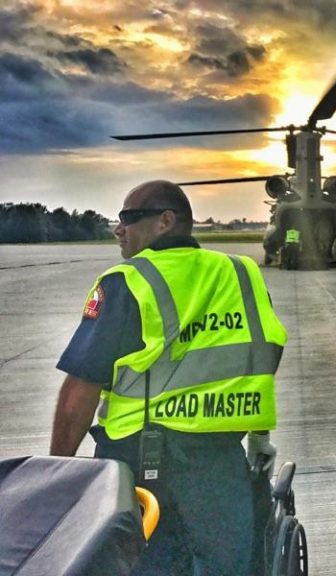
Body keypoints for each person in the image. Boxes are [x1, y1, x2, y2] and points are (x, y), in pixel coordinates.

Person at [50, 180, 287, 576]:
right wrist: (258, 437)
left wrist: (57, 474)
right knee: (228, 566)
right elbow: (263, 355)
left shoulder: (128, 281)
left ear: (165, 221)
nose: (118, 228)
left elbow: (81, 388)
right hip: (221, 461)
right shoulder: (241, 273)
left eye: (129, 217)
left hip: (143, 466)